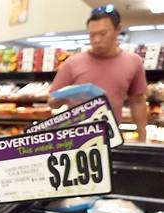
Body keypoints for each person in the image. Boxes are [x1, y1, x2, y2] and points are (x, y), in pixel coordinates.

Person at [49, 4, 148, 142]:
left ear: (118, 30)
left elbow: (137, 102)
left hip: (111, 138)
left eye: (102, 33)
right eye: (92, 34)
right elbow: (52, 102)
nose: (96, 40)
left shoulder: (133, 62)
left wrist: (142, 138)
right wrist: (69, 96)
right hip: (75, 139)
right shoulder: (72, 63)